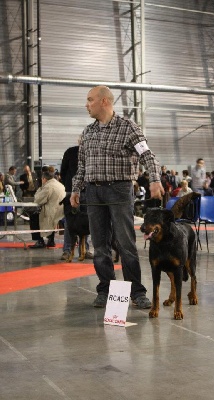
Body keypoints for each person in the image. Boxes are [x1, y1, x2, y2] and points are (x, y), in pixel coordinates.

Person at [70, 85, 164, 309]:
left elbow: (147, 154)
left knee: (126, 243)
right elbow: (82, 165)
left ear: (104, 101)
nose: (86, 104)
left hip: (119, 189)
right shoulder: (88, 132)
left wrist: (154, 179)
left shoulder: (128, 127)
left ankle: (137, 292)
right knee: (100, 245)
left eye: (90, 99)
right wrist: (75, 189)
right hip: (93, 191)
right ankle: (105, 290)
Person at [60, 139, 93, 260]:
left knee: (86, 223)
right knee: (70, 223)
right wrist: (69, 186)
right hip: (71, 192)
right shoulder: (70, 152)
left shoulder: (91, 153)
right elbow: (63, 171)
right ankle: (67, 250)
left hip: (87, 192)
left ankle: (85, 250)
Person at [28, 166, 65, 248]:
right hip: (61, 212)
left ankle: (39, 241)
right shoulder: (59, 184)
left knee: (34, 216)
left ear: (44, 179)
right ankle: (51, 240)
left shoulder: (48, 186)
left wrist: (40, 188)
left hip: (52, 213)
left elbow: (38, 199)